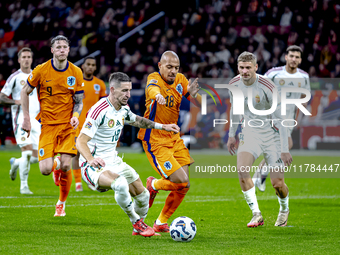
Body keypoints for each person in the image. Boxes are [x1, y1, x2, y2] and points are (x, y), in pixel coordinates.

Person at [76, 72, 180, 236]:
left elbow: (137, 120)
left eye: (129, 90)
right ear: (112, 89)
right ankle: (136, 222)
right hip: (93, 165)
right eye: (124, 90)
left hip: (114, 161)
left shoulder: (123, 108)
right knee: (120, 184)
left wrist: (163, 126)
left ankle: (138, 228)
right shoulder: (99, 110)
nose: (128, 95)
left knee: (144, 196)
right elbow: (80, 141)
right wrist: (91, 159)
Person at [226, 51, 292, 227]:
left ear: (256, 67)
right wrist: (232, 135)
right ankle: (256, 214)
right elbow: (235, 111)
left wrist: (284, 149)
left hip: (273, 135)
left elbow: (281, 119)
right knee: (242, 170)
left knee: (277, 184)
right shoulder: (234, 84)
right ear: (237, 67)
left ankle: (284, 209)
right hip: (250, 133)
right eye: (241, 67)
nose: (244, 71)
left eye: (248, 67)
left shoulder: (267, 86)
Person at [137, 51, 200, 233]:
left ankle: (160, 221)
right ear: (160, 65)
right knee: (180, 180)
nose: (173, 71)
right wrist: (156, 96)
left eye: (176, 68)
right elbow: (152, 88)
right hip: (155, 139)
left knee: (184, 185)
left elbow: (188, 97)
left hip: (174, 137)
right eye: (169, 67)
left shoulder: (181, 80)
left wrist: (194, 95)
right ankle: (153, 185)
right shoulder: (154, 78)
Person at [21, 35, 84, 217]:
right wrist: (26, 118)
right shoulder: (41, 70)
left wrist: (76, 115)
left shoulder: (75, 72)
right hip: (47, 126)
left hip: (67, 126)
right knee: (45, 170)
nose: (62, 49)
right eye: (59, 47)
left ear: (68, 50)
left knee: (67, 165)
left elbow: (78, 100)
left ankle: (61, 204)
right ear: (52, 50)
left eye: (65, 47)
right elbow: (25, 91)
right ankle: (54, 166)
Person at [252, 45, 310, 192]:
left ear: (300, 60)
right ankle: (259, 174)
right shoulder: (274, 73)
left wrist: (300, 115)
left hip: (290, 118)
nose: (293, 59)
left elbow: (305, 97)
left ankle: (260, 174)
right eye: (291, 56)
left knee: (282, 146)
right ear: (286, 57)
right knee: (284, 145)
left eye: (297, 57)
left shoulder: (303, 77)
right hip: (273, 115)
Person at [0, 47, 40, 194]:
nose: (26, 59)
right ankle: (24, 186)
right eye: (23, 57)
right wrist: (15, 102)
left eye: (29, 57)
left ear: (32, 59)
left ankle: (15, 162)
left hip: (37, 120)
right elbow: (2, 97)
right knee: (27, 153)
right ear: (19, 59)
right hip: (21, 119)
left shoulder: (37, 76)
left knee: (36, 158)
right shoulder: (14, 77)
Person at [72, 56, 107, 192]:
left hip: (94, 126)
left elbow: (104, 105)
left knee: (92, 153)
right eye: (88, 64)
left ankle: (90, 180)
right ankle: (77, 183)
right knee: (76, 153)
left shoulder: (100, 84)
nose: (91, 67)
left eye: (93, 65)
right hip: (78, 123)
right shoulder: (76, 82)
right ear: (83, 66)